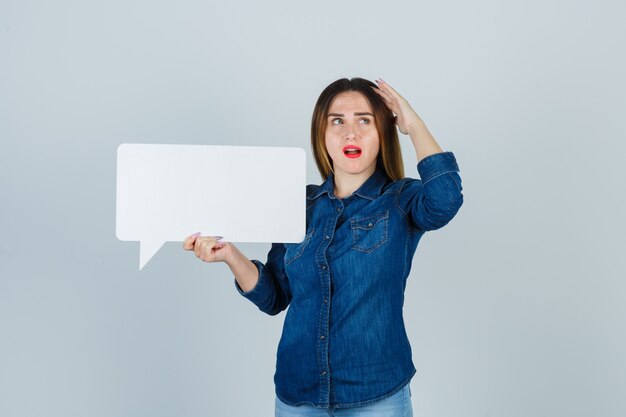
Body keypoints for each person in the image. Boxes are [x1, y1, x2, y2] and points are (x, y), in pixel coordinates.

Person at [183, 77, 464, 416]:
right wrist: (230, 255)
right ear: (322, 133)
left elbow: (445, 198)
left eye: (365, 120)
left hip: (376, 395)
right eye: (337, 121)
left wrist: (413, 123)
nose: (351, 133)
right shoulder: (298, 204)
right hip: (299, 395)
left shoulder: (400, 200)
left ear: (383, 133)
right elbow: (274, 297)